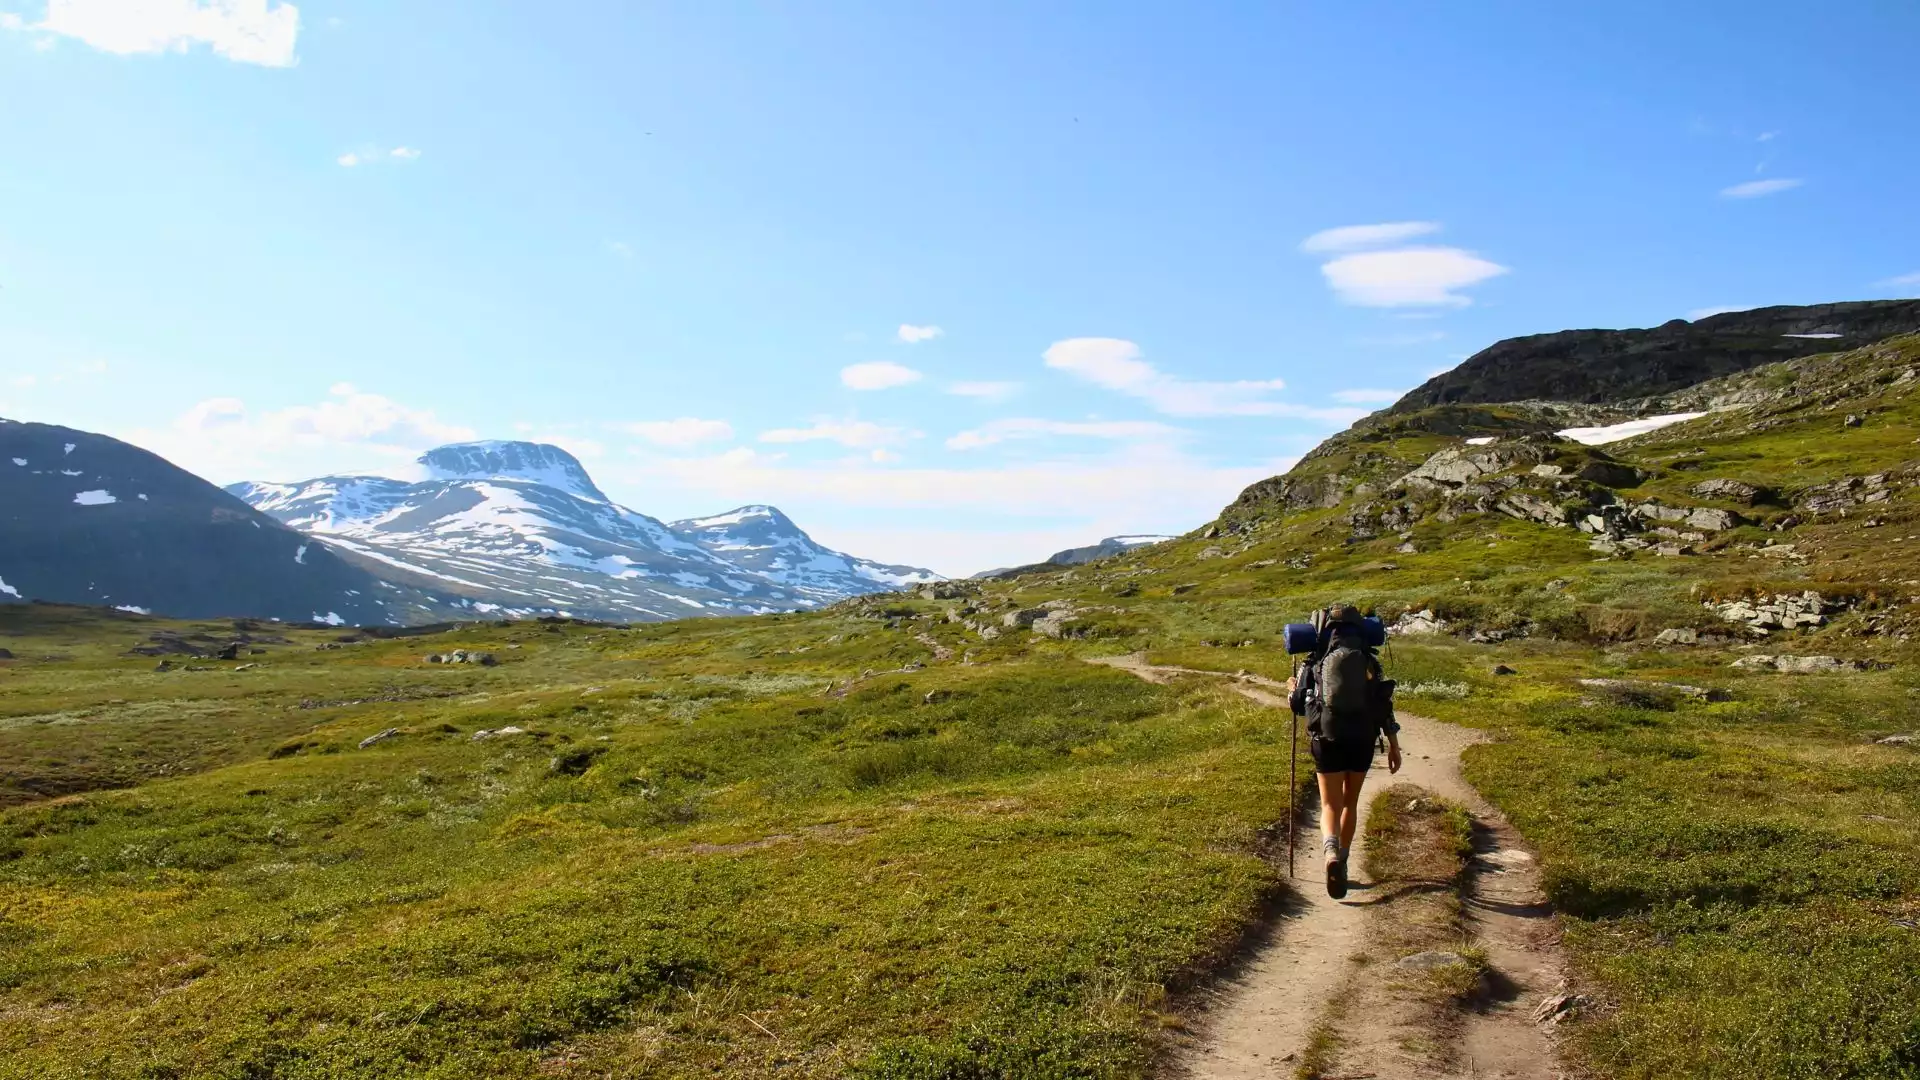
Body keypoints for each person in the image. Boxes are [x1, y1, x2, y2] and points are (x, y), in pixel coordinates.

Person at [1288, 610, 1401, 899]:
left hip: (1327, 738)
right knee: (1350, 802)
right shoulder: (1370, 661)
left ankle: (1330, 856)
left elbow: (1299, 704)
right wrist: (1393, 744)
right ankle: (1344, 859)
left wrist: (1291, 689)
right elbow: (1383, 705)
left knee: (1329, 805)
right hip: (1362, 737)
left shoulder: (1315, 660)